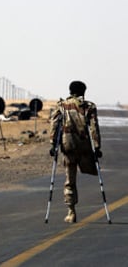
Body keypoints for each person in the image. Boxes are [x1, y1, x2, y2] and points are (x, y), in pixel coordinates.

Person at [49, 81, 102, 223]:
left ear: (70, 90)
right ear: (83, 92)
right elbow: (94, 128)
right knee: (88, 170)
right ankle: (71, 211)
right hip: (84, 147)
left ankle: (71, 211)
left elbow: (54, 125)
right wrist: (97, 147)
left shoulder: (62, 106)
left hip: (68, 146)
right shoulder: (89, 106)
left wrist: (53, 144)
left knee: (69, 180)